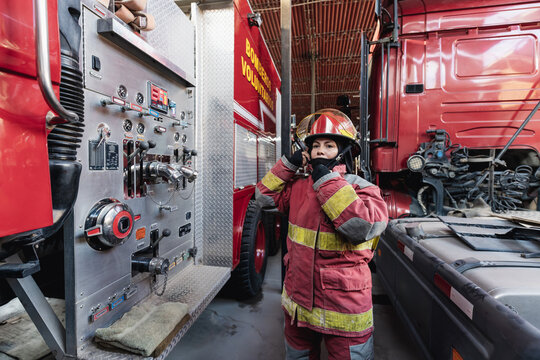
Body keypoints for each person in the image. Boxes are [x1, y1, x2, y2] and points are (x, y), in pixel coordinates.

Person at [256, 109, 389, 360]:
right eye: (315, 145)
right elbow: (263, 197)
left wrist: (325, 179)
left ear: (344, 152)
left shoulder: (362, 189)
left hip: (344, 310)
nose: (319, 150)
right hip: (298, 306)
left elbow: (362, 226)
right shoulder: (297, 187)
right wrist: (289, 163)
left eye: (329, 145)